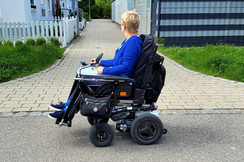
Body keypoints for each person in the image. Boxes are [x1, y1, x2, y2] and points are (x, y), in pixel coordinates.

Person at [48, 10, 142, 119]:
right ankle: (67, 105)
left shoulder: (132, 43)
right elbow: (116, 61)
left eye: (121, 23)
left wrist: (104, 70)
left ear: (124, 26)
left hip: (122, 80)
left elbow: (126, 67)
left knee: (84, 80)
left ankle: (65, 112)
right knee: (81, 77)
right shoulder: (128, 41)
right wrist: (100, 62)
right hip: (119, 77)